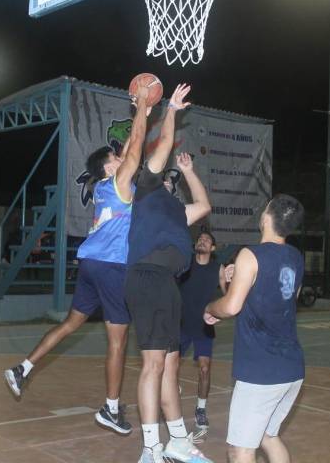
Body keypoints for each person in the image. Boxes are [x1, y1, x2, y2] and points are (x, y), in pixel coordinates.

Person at [3, 77, 156, 436]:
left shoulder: (104, 187)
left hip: (89, 264)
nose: (122, 158)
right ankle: (110, 409)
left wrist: (144, 112)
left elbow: (132, 152)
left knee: (71, 324)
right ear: (109, 167)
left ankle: (23, 368)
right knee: (118, 340)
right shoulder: (117, 183)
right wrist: (141, 109)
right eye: (116, 158)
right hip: (111, 267)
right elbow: (136, 146)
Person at [125, 84, 214, 463]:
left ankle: (177, 439)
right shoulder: (145, 189)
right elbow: (162, 145)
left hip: (168, 284)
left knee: (171, 364)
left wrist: (189, 171)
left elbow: (204, 205)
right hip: (147, 277)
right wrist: (172, 110)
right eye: (166, 173)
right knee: (154, 364)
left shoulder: (177, 211)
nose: (166, 176)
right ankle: (150, 448)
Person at [204, 194, 306, 463]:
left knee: (240, 450)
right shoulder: (295, 256)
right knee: (268, 437)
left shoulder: (251, 254)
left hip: (261, 369)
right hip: (291, 366)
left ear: (266, 217)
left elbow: (231, 307)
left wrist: (210, 308)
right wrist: (239, 278)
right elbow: (282, 299)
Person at [178, 230, 226, 432]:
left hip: (204, 327)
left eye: (207, 240)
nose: (202, 241)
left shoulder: (218, 269)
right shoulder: (185, 263)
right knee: (169, 366)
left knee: (205, 368)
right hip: (180, 324)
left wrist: (221, 313)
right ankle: (171, 390)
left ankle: (201, 409)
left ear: (212, 248)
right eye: (200, 239)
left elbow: (227, 296)